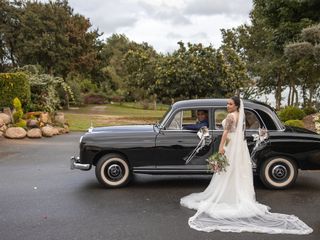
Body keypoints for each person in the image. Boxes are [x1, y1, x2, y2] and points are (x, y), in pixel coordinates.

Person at [180, 97, 313, 234]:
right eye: (227, 103)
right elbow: (239, 130)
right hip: (239, 147)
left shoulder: (231, 116)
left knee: (228, 170)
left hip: (230, 145)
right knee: (237, 170)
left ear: (237, 106)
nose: (228, 106)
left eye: (230, 104)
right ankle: (237, 194)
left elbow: (226, 132)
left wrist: (221, 147)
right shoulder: (240, 115)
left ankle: (228, 194)